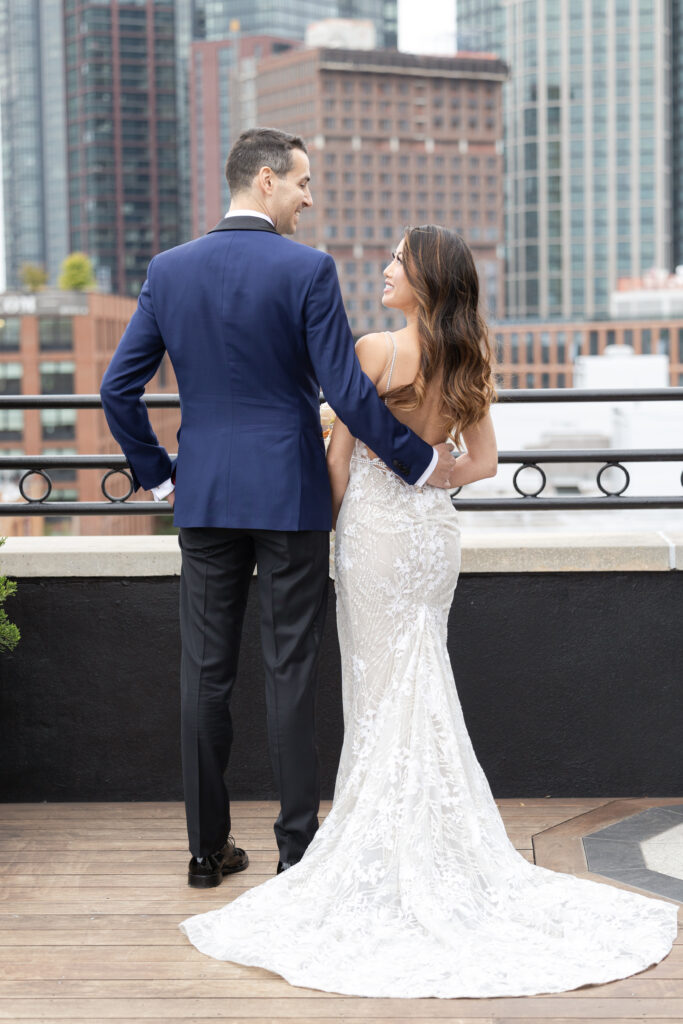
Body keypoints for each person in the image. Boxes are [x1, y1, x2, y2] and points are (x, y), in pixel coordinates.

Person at [179, 226, 677, 997]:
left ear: (424, 282)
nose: (383, 270)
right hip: (430, 539)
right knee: (420, 673)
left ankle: (377, 834)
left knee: (377, 689)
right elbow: (480, 463)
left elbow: (339, 465)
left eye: (396, 262)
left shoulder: (375, 351)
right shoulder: (469, 358)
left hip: (375, 537)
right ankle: (436, 840)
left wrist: (324, 529)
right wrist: (426, 480)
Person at [99, 128, 456, 889]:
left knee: (204, 673)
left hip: (203, 496)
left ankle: (205, 852)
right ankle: (296, 849)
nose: (308, 195)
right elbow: (348, 392)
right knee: (289, 670)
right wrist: (419, 460)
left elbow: (115, 389)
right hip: (290, 495)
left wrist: (161, 478)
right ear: (265, 180)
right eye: (300, 181)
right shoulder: (306, 269)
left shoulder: (168, 270)